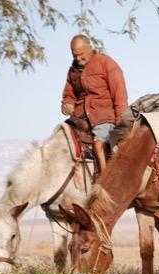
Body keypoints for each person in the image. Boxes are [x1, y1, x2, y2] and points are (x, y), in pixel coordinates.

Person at [61, 34, 128, 172]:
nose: (78, 59)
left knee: (99, 145)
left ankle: (104, 183)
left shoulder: (106, 64)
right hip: (79, 119)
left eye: (81, 55)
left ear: (90, 48)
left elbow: (119, 94)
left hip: (102, 117)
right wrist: (67, 103)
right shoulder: (72, 71)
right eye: (75, 56)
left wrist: (121, 121)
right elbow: (69, 93)